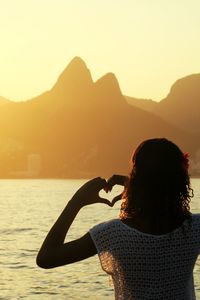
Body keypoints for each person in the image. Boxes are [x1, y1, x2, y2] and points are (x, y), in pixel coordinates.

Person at [36, 138, 200, 300]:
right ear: (180, 180)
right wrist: (135, 188)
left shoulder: (113, 234)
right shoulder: (194, 228)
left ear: (137, 177)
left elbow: (46, 258)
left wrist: (76, 202)